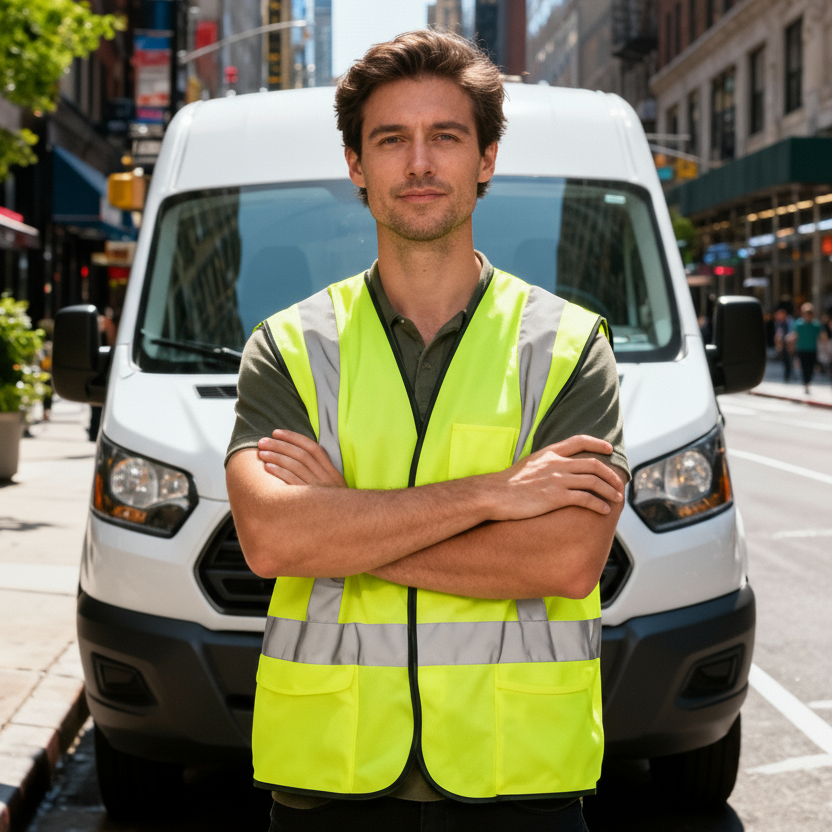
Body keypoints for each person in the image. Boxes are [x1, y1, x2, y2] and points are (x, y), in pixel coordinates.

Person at [225, 30, 629, 832]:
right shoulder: (288, 346)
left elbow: (564, 559)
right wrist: (494, 494)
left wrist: (345, 526)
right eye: (391, 140)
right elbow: (273, 542)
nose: (419, 163)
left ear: (484, 159)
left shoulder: (571, 345)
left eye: (445, 137)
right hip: (331, 776)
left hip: (517, 776)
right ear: (355, 166)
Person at [793, 302, 824, 394]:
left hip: (812, 349)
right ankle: (805, 383)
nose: (808, 315)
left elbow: (822, 336)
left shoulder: (816, 324)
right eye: (806, 313)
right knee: (803, 367)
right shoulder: (799, 324)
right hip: (802, 349)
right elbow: (795, 335)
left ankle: (808, 382)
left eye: (809, 313)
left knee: (810, 367)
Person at [772, 307, 794, 383]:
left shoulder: (790, 321)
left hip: (790, 343)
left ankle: (790, 374)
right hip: (783, 343)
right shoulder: (780, 322)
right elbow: (779, 333)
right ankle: (787, 374)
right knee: (785, 359)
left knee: (790, 359)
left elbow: (792, 331)